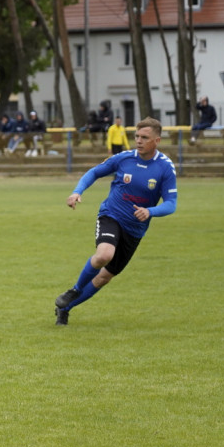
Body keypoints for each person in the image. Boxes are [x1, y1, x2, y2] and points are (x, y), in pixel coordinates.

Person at [54, 117, 177, 326]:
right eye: (136, 136)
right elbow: (94, 172)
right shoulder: (124, 158)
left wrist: (150, 211)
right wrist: (77, 192)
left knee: (104, 278)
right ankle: (74, 290)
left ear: (157, 140)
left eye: (144, 137)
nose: (138, 141)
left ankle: (65, 308)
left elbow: (171, 203)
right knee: (104, 254)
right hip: (112, 215)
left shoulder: (165, 167)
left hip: (135, 230)